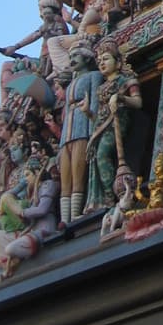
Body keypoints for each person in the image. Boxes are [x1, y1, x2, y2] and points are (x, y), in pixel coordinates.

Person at [85, 41, 142, 212]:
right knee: (96, 156)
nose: (101, 63)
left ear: (118, 62)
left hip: (118, 121)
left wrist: (121, 98)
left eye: (106, 59)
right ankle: (102, 200)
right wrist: (88, 112)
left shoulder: (127, 80)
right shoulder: (101, 88)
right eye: (99, 60)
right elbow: (100, 116)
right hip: (102, 125)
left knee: (102, 154)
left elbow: (138, 102)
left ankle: (113, 196)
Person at [57, 39, 103, 224]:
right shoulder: (70, 85)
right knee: (65, 180)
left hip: (83, 128)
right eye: (70, 56)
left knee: (77, 175)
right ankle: (64, 219)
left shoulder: (94, 76)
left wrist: (93, 134)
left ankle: (75, 215)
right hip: (68, 131)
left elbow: (94, 105)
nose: (72, 59)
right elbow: (67, 110)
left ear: (86, 57)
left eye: (76, 55)